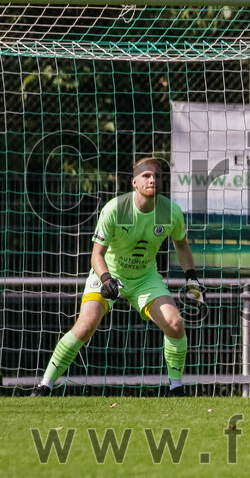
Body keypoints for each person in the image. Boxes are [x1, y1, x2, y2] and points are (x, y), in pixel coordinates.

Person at [31, 157, 205, 397]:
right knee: (85, 327)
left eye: (157, 175)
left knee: (175, 324)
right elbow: (96, 255)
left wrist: (192, 278)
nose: (152, 179)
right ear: (134, 182)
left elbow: (182, 245)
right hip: (109, 273)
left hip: (145, 278)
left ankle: (176, 389)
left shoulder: (170, 211)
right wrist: (106, 280)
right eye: (146, 175)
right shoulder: (116, 208)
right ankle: (44, 385)